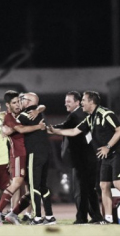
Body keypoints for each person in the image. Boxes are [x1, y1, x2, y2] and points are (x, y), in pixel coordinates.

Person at [48, 90, 120, 224]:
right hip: (105, 157)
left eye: (83, 101)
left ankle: (98, 217)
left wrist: (108, 146)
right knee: (103, 185)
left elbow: (119, 130)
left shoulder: (106, 114)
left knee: (117, 184)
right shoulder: (89, 118)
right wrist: (53, 130)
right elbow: (74, 131)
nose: (81, 104)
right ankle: (108, 219)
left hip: (116, 154)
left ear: (91, 102)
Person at [0, 91, 45, 225]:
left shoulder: (21, 114)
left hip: (28, 154)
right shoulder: (8, 117)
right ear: (8, 105)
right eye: (14, 103)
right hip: (18, 154)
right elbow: (20, 129)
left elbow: (42, 105)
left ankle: (13, 213)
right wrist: (39, 126)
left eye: (18, 102)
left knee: (33, 188)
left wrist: (38, 110)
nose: (18, 105)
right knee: (17, 183)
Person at [5, 92, 56, 225]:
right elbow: (41, 106)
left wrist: (5, 127)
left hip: (34, 154)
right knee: (43, 186)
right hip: (45, 153)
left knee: (34, 187)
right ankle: (50, 216)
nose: (19, 102)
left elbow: (11, 130)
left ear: (27, 102)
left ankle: (37, 217)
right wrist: (39, 108)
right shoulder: (40, 114)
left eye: (22, 99)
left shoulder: (23, 115)